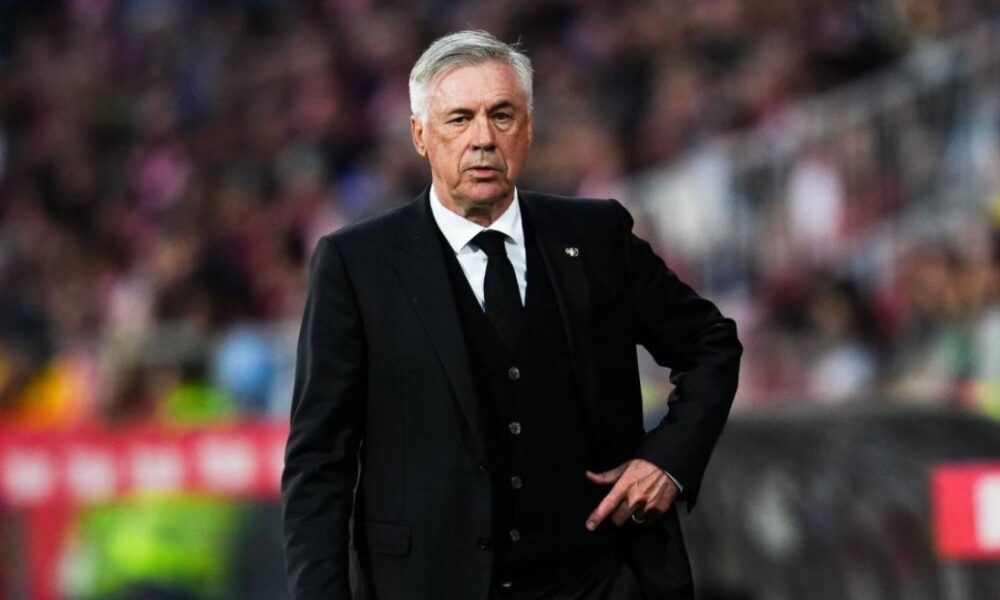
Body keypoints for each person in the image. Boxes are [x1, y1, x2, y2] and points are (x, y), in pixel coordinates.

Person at [281, 30, 741, 600]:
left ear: (528, 128)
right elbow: (320, 459)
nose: (483, 138)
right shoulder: (356, 264)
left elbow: (711, 343)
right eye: (459, 119)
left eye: (502, 115)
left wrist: (667, 462)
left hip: (598, 579)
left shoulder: (596, 236)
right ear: (420, 135)